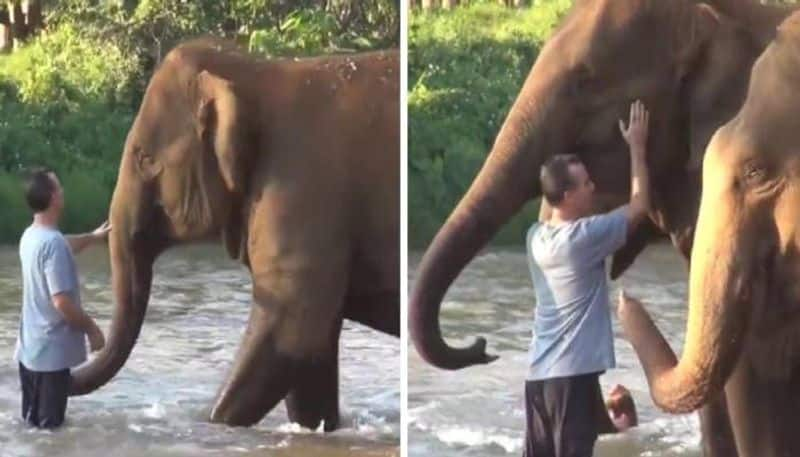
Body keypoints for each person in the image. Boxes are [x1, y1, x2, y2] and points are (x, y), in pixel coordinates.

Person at [523, 101, 651, 457]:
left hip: (537, 379)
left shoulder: (535, 236)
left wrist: (564, 148)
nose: (593, 187)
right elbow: (640, 206)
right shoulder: (584, 239)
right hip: (571, 381)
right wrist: (637, 147)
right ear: (567, 196)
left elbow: (548, 208)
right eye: (585, 183)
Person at [14, 168, 110, 428]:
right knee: (50, 434)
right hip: (51, 358)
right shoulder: (53, 244)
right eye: (59, 187)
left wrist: (93, 237)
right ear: (54, 197)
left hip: (30, 352)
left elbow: (64, 244)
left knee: (32, 428)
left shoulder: (30, 236)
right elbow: (62, 303)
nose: (63, 191)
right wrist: (92, 329)